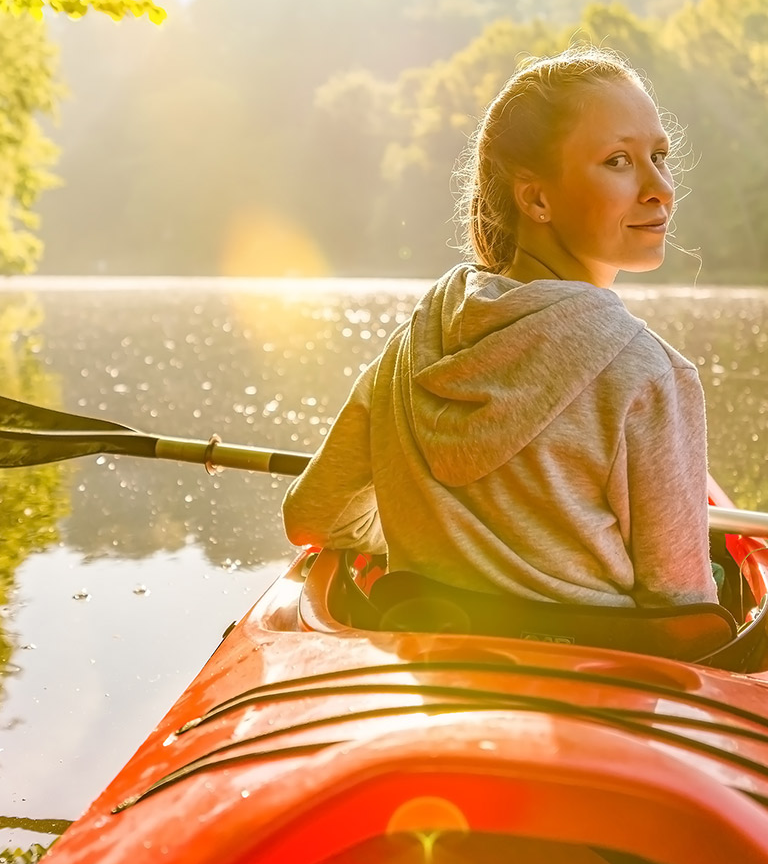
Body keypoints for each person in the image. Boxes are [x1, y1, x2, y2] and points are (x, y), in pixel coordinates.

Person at [282, 45, 717, 609]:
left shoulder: (414, 347)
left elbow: (314, 518)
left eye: (660, 156)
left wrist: (423, 534)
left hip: (431, 664)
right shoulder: (650, 374)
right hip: (592, 680)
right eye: (618, 161)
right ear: (536, 197)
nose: (658, 188)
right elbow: (681, 604)